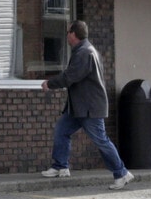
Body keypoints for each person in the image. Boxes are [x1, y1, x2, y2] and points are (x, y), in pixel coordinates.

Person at [41, 19, 133, 189]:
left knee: (101, 140)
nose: (67, 35)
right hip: (79, 107)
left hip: (90, 107)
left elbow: (70, 77)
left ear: (74, 34)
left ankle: (121, 173)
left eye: (68, 32)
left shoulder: (84, 52)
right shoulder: (86, 50)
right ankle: (60, 166)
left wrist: (50, 83)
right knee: (62, 130)